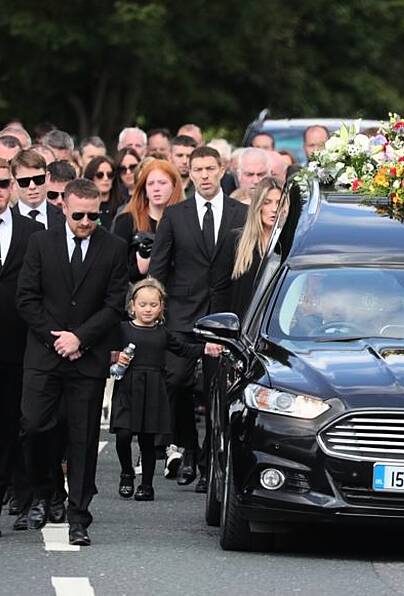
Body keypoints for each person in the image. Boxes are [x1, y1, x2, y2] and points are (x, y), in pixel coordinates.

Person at [17, 178, 128, 546]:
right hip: (45, 356)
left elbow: (114, 304)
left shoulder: (113, 248)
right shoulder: (40, 243)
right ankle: (47, 490)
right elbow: (27, 298)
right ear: (63, 206)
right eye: (78, 214)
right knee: (35, 426)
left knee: (82, 439)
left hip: (88, 358)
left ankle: (80, 516)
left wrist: (81, 338)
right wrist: (59, 339)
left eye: (92, 215)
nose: (85, 221)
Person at [149, 146, 246, 493]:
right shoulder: (175, 216)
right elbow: (159, 268)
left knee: (217, 392)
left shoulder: (241, 213)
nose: (204, 175)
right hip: (181, 316)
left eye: (209, 168)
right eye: (197, 169)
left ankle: (208, 461)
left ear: (221, 169)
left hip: (224, 319)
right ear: (188, 173)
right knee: (175, 384)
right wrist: (155, 311)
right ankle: (188, 447)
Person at [110, 278, 219, 502]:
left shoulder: (163, 333)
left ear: (161, 308)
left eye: (153, 305)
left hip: (153, 389)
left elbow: (184, 349)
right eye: (142, 304)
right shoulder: (122, 329)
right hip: (128, 387)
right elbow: (107, 350)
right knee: (122, 435)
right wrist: (114, 357)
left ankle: (147, 485)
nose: (147, 309)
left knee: (148, 441)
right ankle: (127, 472)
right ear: (132, 306)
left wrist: (206, 348)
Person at [0, 158, 44, 538]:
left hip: (21, 345)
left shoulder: (32, 232)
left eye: (2, 183)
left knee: (21, 424)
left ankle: (25, 498)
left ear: (12, 186)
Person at [112, 160, 184, 282]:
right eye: (150, 184)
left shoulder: (186, 221)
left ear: (174, 186)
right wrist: (140, 268)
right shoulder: (126, 221)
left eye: (162, 183)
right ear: (144, 189)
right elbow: (115, 270)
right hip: (137, 296)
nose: (156, 188)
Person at [226, 178, 283, 317]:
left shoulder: (290, 242)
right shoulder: (236, 240)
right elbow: (221, 289)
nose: (274, 209)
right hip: (241, 324)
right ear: (258, 205)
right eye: (267, 202)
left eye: (279, 202)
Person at [10, 150, 64, 229]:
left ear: (47, 178)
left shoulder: (64, 217)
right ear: (14, 183)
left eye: (38, 179)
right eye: (24, 182)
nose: (32, 186)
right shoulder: (6, 220)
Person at [83, 156, 125, 229]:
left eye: (110, 175)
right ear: (91, 177)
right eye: (100, 175)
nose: (106, 178)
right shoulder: (83, 207)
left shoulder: (123, 207)